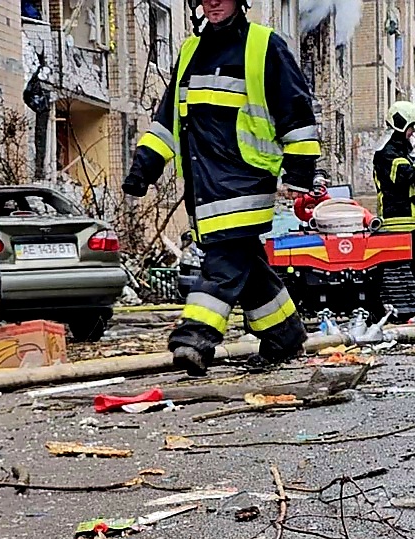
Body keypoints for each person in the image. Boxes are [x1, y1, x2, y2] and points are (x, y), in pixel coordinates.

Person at [122, 0, 320, 376]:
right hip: (204, 187)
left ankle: (195, 337)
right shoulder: (190, 51)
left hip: (246, 180)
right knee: (248, 265)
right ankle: (285, 334)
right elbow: (168, 120)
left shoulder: (265, 45)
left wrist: (300, 172)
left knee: (223, 264)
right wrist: (143, 166)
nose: (212, 2)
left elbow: (296, 111)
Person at [374, 100, 415, 296]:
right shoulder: (386, 152)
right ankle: (409, 305)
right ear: (401, 125)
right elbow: (404, 175)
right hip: (398, 221)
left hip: (412, 221)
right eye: (411, 127)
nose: (413, 131)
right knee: (407, 267)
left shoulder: (402, 150)